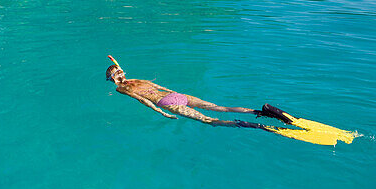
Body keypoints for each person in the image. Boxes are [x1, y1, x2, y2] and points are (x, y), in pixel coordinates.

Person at [105, 61, 292, 131]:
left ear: (113, 80)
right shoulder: (138, 80)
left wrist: (162, 113)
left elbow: (143, 100)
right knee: (222, 108)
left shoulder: (122, 89)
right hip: (177, 95)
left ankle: (253, 125)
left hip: (165, 102)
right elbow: (160, 86)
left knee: (209, 120)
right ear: (123, 71)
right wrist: (116, 65)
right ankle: (260, 112)